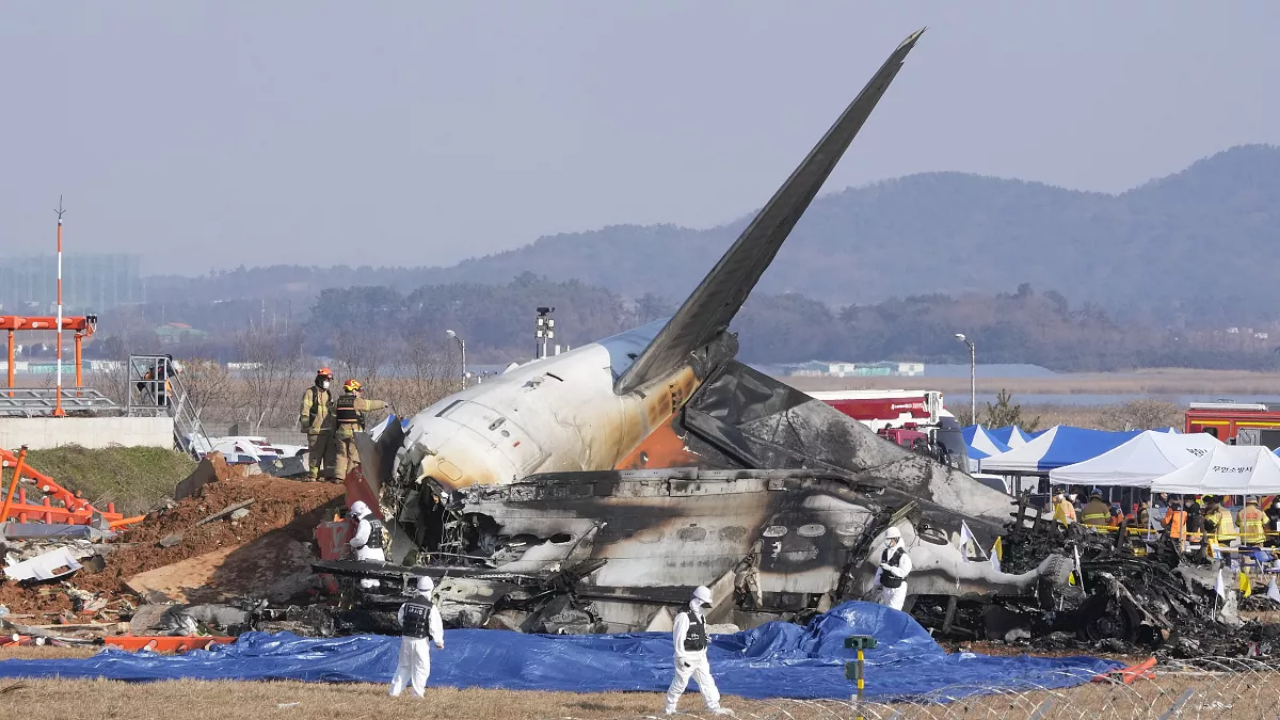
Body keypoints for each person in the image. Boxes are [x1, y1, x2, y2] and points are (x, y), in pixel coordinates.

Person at [663, 585, 731, 716]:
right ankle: (669, 709)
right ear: (697, 600)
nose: (703, 605)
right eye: (702, 602)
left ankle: (713, 707)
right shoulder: (683, 616)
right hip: (687, 657)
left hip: (700, 656)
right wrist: (681, 656)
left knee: (707, 681)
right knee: (680, 683)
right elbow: (678, 637)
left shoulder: (701, 616)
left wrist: (704, 638)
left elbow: (701, 631)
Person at [389, 575, 444, 698]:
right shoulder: (431, 607)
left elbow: (401, 619)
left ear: (417, 589)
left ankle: (394, 693)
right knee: (421, 668)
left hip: (406, 640)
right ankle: (417, 695)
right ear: (431, 589)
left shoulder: (406, 604)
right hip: (421, 641)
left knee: (404, 666)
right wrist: (439, 642)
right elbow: (435, 626)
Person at [333, 379, 388, 481]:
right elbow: (369, 404)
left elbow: (333, 415)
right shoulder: (356, 401)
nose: (359, 393)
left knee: (341, 454)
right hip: (353, 433)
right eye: (358, 390)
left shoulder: (338, 402)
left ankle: (339, 477)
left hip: (340, 433)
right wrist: (382, 404)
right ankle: (350, 478)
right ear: (353, 390)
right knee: (353, 456)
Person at [299, 368, 335, 481]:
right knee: (315, 454)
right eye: (326, 380)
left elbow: (332, 411)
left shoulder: (328, 393)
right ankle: (313, 475)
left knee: (330, 455)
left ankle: (329, 476)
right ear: (320, 379)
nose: (327, 382)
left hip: (328, 430)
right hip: (315, 431)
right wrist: (306, 426)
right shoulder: (310, 392)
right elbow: (305, 411)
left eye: (329, 380)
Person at [348, 500, 387, 590]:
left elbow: (361, 539)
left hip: (368, 554)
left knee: (367, 583)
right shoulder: (376, 520)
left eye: (355, 516)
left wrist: (351, 542)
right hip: (378, 553)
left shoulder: (365, 522)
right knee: (376, 581)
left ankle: (367, 597)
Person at [875, 527, 912, 611]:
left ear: (895, 539)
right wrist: (875, 584)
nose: (887, 541)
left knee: (893, 610)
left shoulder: (902, 555)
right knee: (885, 608)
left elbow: (904, 572)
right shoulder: (885, 553)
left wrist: (891, 569)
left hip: (898, 588)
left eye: (889, 539)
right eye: (886, 539)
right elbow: (880, 569)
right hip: (887, 585)